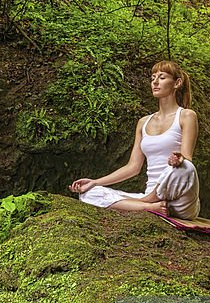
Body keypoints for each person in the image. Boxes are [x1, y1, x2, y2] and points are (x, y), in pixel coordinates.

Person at [69, 60, 201, 219]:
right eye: (152, 78)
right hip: (153, 199)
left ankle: (146, 201)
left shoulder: (186, 116)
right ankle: (149, 207)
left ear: (177, 83)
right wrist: (95, 182)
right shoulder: (143, 122)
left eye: (162, 77)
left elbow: (187, 157)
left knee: (187, 167)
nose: (155, 82)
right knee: (88, 194)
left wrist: (178, 160)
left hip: (179, 199)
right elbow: (133, 167)